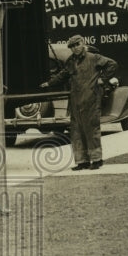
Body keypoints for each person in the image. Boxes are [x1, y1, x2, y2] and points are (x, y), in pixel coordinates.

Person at [41, 35, 118, 171]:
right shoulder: (71, 61)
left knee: (91, 129)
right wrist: (49, 83)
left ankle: (97, 160)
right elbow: (63, 75)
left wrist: (102, 79)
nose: (75, 48)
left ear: (82, 43)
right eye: (72, 46)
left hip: (91, 98)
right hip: (76, 100)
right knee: (76, 131)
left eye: (77, 44)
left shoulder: (94, 58)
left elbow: (112, 64)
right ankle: (82, 161)